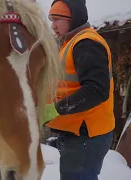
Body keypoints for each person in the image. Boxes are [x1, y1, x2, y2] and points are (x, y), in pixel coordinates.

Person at [41, 0, 115, 179]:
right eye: (51, 19)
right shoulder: (70, 43)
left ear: (72, 19)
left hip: (86, 136)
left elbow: (96, 89)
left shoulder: (86, 43)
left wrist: (56, 109)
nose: (53, 25)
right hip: (77, 133)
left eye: (57, 19)